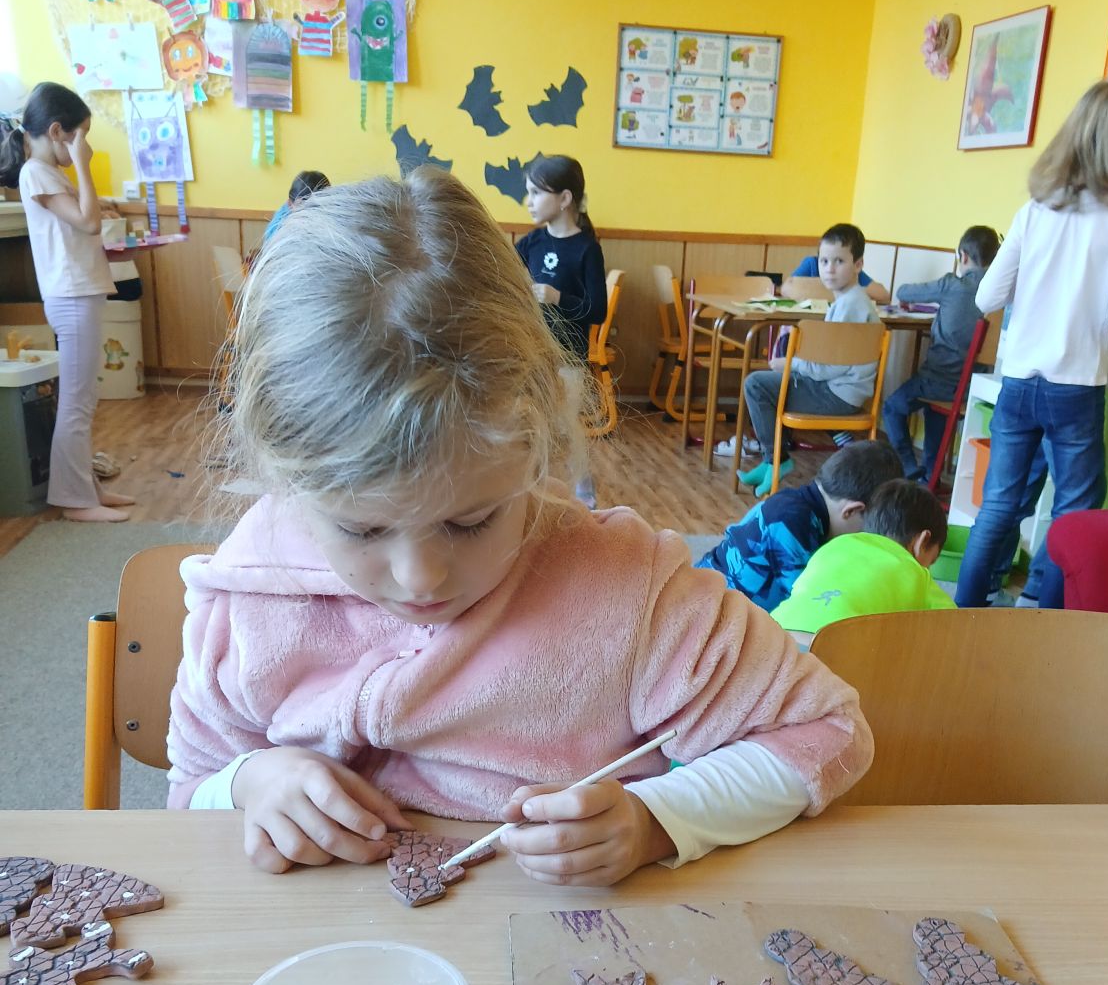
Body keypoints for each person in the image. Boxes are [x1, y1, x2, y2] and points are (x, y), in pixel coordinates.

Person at [168, 171, 873, 883]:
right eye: (361, 530)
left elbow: (826, 733)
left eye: (471, 520)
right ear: (286, 480)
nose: (421, 578)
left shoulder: (629, 594)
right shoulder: (252, 591)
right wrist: (249, 782)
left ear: (537, 447)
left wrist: (656, 820)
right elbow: (191, 787)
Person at [956, 81, 1108, 610]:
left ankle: (967, 610)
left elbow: (986, 296)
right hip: (1077, 389)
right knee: (1075, 511)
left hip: (1020, 381)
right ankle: (1043, 612)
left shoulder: (1037, 208)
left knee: (998, 504)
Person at [0, 82, 134, 522]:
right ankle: (76, 501)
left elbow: (83, 223)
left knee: (83, 399)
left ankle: (87, 489)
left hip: (79, 292)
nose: (85, 144)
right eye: (81, 135)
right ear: (58, 131)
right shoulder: (37, 172)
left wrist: (90, 189)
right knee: (76, 402)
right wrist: (83, 165)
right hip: (71, 295)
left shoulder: (46, 174)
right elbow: (89, 223)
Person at [737, 224, 883, 497]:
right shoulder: (852, 301)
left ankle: (776, 460)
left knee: (756, 384)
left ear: (858, 265)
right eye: (824, 261)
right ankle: (772, 460)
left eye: (839, 261)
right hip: (842, 390)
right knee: (772, 382)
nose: (829, 269)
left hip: (836, 394)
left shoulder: (850, 305)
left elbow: (830, 367)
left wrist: (790, 363)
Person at [697, 440, 901, 613]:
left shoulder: (801, 506)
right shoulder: (793, 523)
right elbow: (805, 604)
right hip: (707, 613)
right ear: (851, 511)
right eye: (866, 530)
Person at [881, 224, 1002, 480]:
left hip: (937, 381)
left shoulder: (951, 285)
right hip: (974, 388)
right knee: (936, 407)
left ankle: (908, 465)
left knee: (892, 407)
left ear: (963, 256)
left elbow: (903, 292)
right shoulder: (1002, 294)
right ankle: (930, 474)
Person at [772, 480, 952, 642]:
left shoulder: (835, 545)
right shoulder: (915, 572)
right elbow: (955, 624)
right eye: (930, 562)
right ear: (922, 542)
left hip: (777, 631)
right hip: (832, 645)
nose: (927, 569)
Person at [515, 154, 607, 362]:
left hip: (569, 359)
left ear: (564, 199)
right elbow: (503, 267)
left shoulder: (588, 249)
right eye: (529, 193)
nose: (529, 202)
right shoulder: (532, 241)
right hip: (534, 354)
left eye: (536, 193)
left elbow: (598, 311)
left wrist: (557, 298)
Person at [261, 169, 331, 245]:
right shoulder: (278, 228)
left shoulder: (328, 212)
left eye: (318, 207)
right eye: (305, 208)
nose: (311, 213)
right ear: (290, 203)